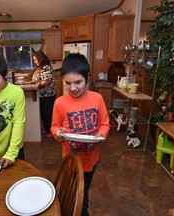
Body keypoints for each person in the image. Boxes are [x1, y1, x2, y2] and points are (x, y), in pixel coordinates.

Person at [50, 53, 110, 216]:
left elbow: (105, 123)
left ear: (87, 78)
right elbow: (54, 126)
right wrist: (58, 133)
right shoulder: (59, 103)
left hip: (91, 158)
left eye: (78, 82)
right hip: (71, 159)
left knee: (84, 190)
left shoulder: (97, 98)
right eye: (68, 83)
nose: (73, 88)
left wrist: (101, 135)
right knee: (76, 194)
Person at [31, 50, 56, 138]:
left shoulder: (46, 67)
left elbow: (46, 82)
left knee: (47, 113)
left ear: (40, 59)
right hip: (41, 95)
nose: (35, 62)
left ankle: (50, 130)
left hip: (48, 94)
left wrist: (37, 84)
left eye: (35, 60)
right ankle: (46, 128)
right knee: (43, 113)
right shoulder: (39, 67)